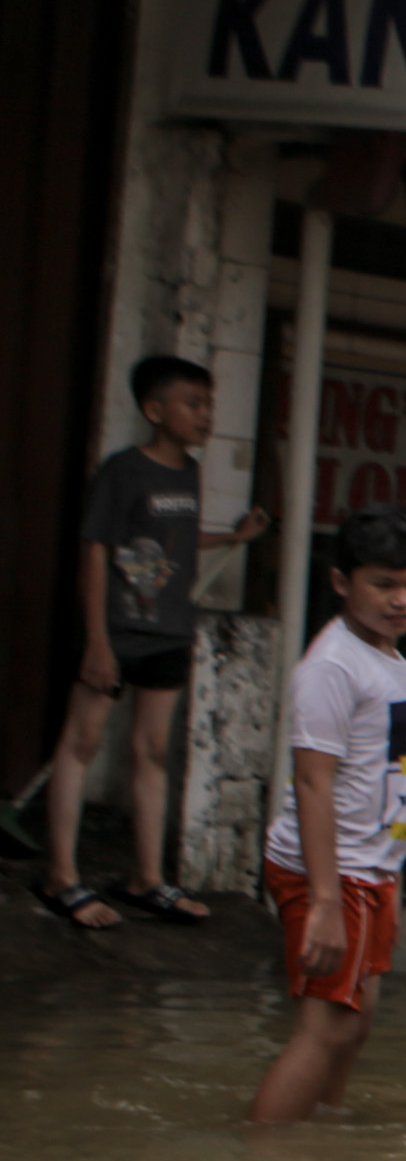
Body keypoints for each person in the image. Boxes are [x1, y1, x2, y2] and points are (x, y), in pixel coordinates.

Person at [37, 355, 269, 928]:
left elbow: (180, 539)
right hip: (115, 631)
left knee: (154, 752)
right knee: (82, 742)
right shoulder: (122, 472)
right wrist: (96, 639)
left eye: (208, 404)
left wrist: (233, 537)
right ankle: (61, 877)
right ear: (154, 409)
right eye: (193, 403)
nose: (205, 415)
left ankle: (147, 879)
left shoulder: (187, 474)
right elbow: (95, 548)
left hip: (168, 631)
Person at [249, 505, 406, 1125]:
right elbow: (312, 782)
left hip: (369, 873)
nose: (402, 600)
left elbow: (397, 774)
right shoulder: (333, 665)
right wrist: (326, 900)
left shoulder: (393, 663)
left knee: (354, 1026)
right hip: (335, 874)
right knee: (325, 1028)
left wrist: (391, 878)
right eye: (383, 584)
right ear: (341, 582)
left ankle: (317, 1132)